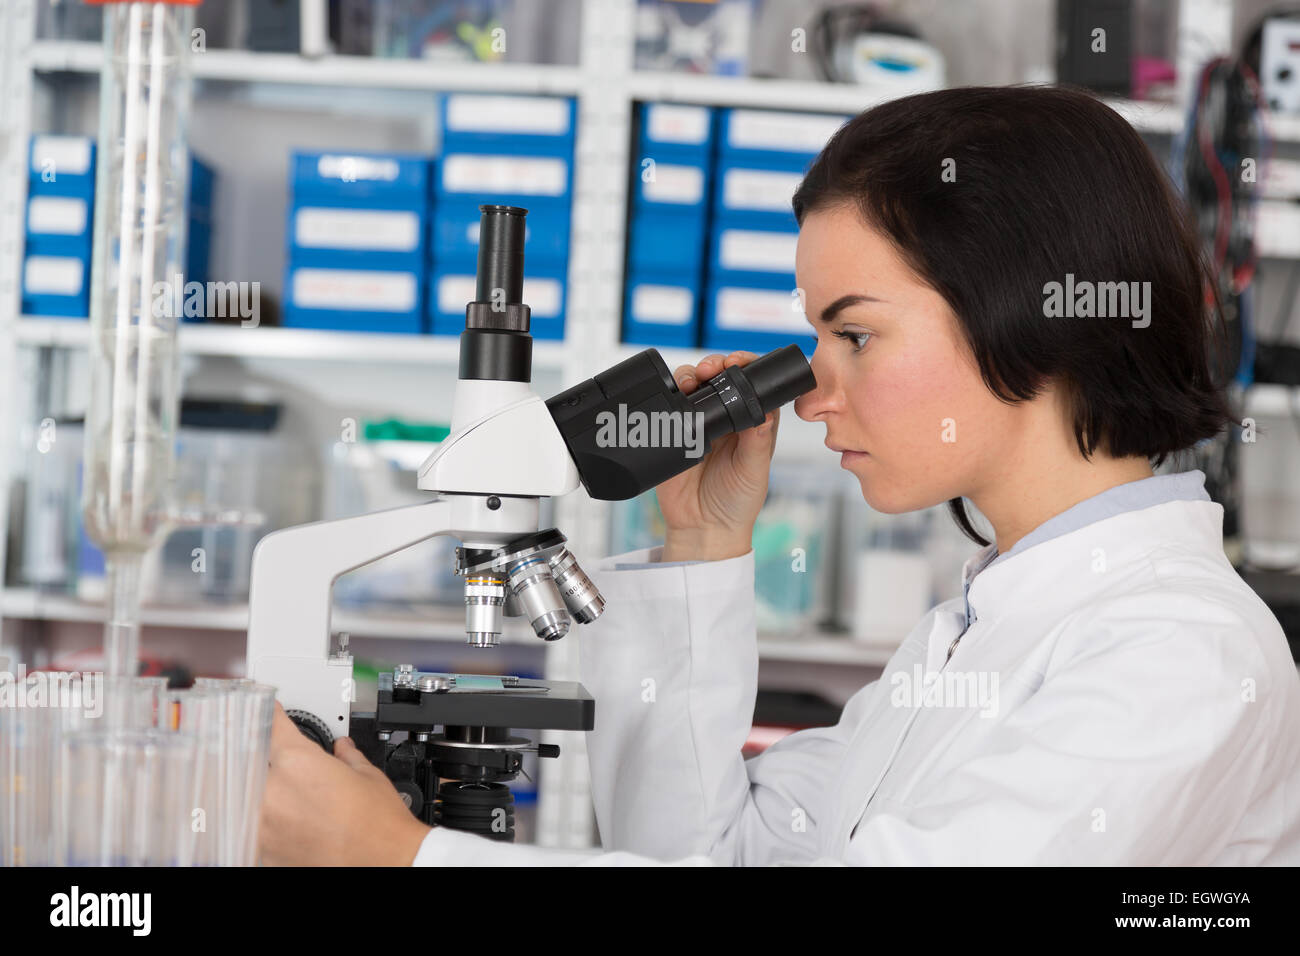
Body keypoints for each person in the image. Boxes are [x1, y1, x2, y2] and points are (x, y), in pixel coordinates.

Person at [259, 85, 1300, 866]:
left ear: (1025, 312)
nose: (809, 394)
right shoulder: (977, 628)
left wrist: (403, 855)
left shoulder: (1178, 654)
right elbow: (704, 851)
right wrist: (701, 549)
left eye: (853, 333)